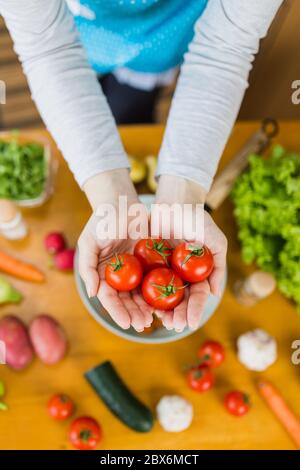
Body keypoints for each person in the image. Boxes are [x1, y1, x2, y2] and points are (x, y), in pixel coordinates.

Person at [0, 0, 283, 332]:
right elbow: (50, 47)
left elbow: (224, 47)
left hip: (162, 40)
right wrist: (110, 196)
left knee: (132, 107)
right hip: (82, 28)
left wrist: (181, 192)